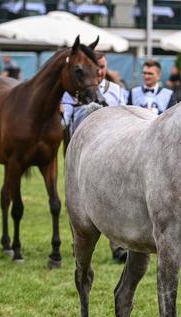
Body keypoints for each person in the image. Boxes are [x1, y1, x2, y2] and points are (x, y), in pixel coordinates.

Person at [61, 51, 128, 262]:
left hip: (111, 154)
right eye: (96, 67)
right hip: (81, 155)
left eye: (102, 67)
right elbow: (65, 123)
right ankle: (79, 241)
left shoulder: (116, 91)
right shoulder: (74, 92)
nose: (99, 71)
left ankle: (118, 245)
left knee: (115, 200)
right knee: (78, 202)